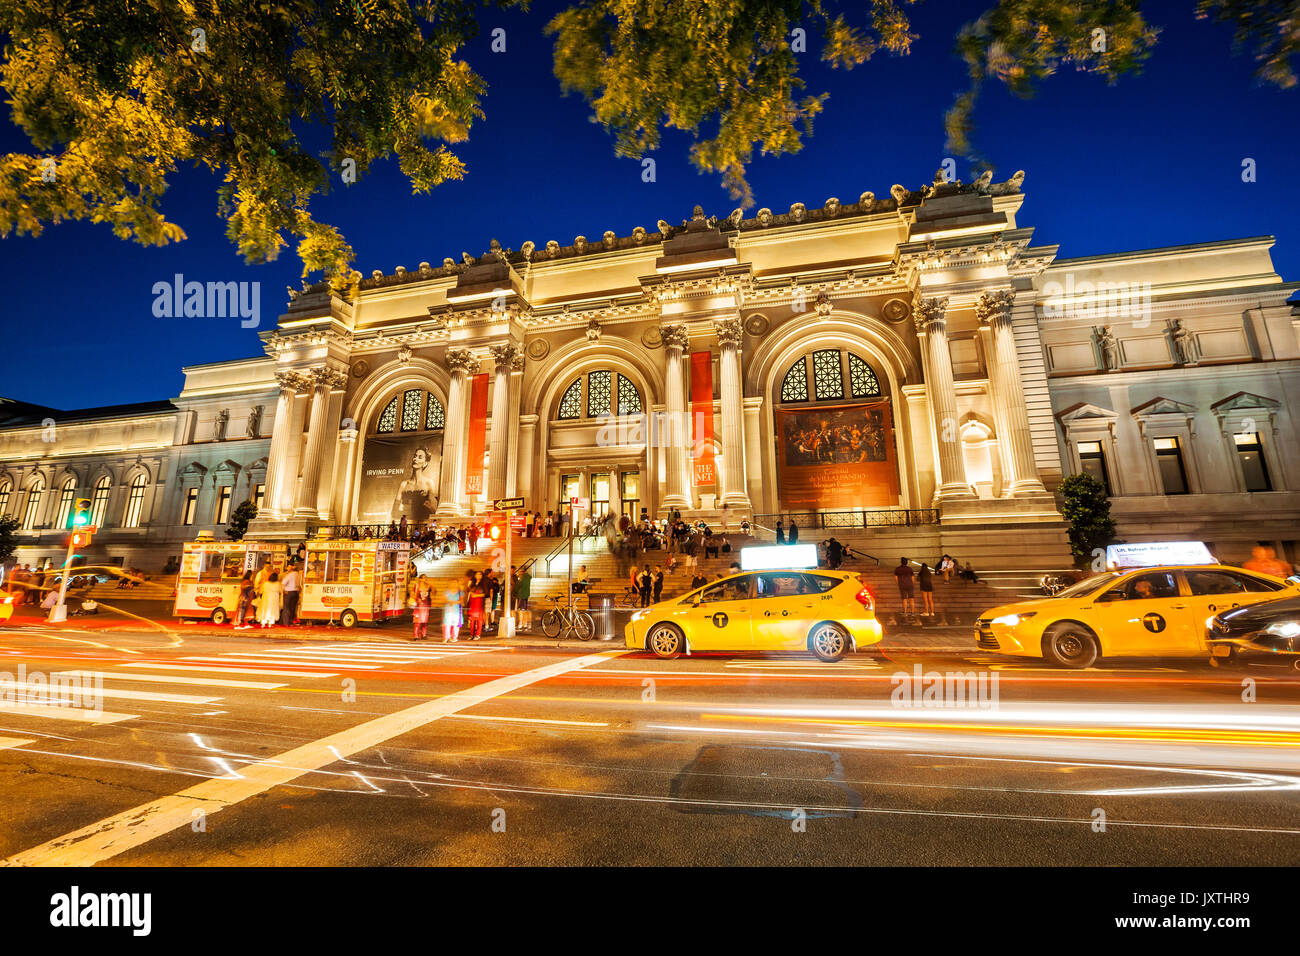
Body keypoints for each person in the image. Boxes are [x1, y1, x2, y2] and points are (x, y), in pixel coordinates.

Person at [465, 571, 487, 639]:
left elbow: (485, 594)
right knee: (472, 620)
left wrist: (476, 595)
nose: (478, 575)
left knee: (479, 620)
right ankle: (471, 634)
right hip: (472, 603)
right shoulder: (472, 583)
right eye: (477, 574)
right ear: (475, 575)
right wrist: (468, 585)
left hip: (479, 603)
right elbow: (468, 591)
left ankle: (478, 634)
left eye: (480, 574)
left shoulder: (484, 584)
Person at [513, 564, 532, 633]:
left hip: (521, 595)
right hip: (526, 595)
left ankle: (521, 624)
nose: (518, 572)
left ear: (522, 571)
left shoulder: (522, 578)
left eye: (520, 571)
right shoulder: (528, 577)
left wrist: (514, 593)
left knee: (521, 611)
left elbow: (518, 586)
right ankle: (525, 624)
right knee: (524, 610)